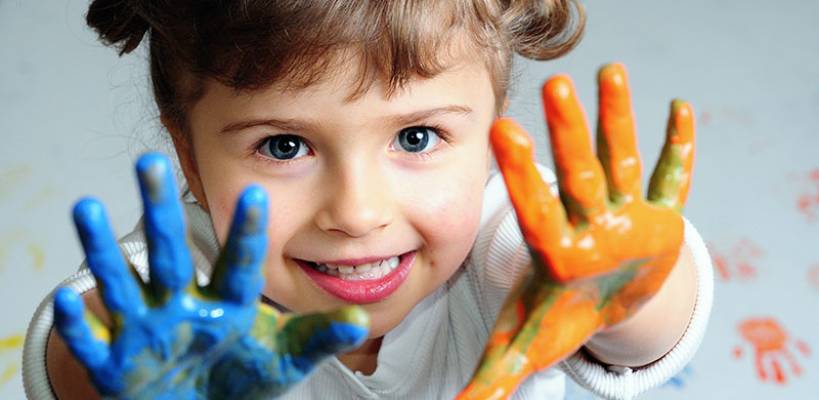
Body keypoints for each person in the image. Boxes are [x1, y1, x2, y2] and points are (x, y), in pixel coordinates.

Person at [22, 0, 714, 399]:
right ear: (189, 158)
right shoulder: (187, 295)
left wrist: (636, 292)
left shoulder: (518, 243)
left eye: (416, 137)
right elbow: (82, 339)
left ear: (493, 128)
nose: (356, 213)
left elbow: (644, 329)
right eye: (284, 146)